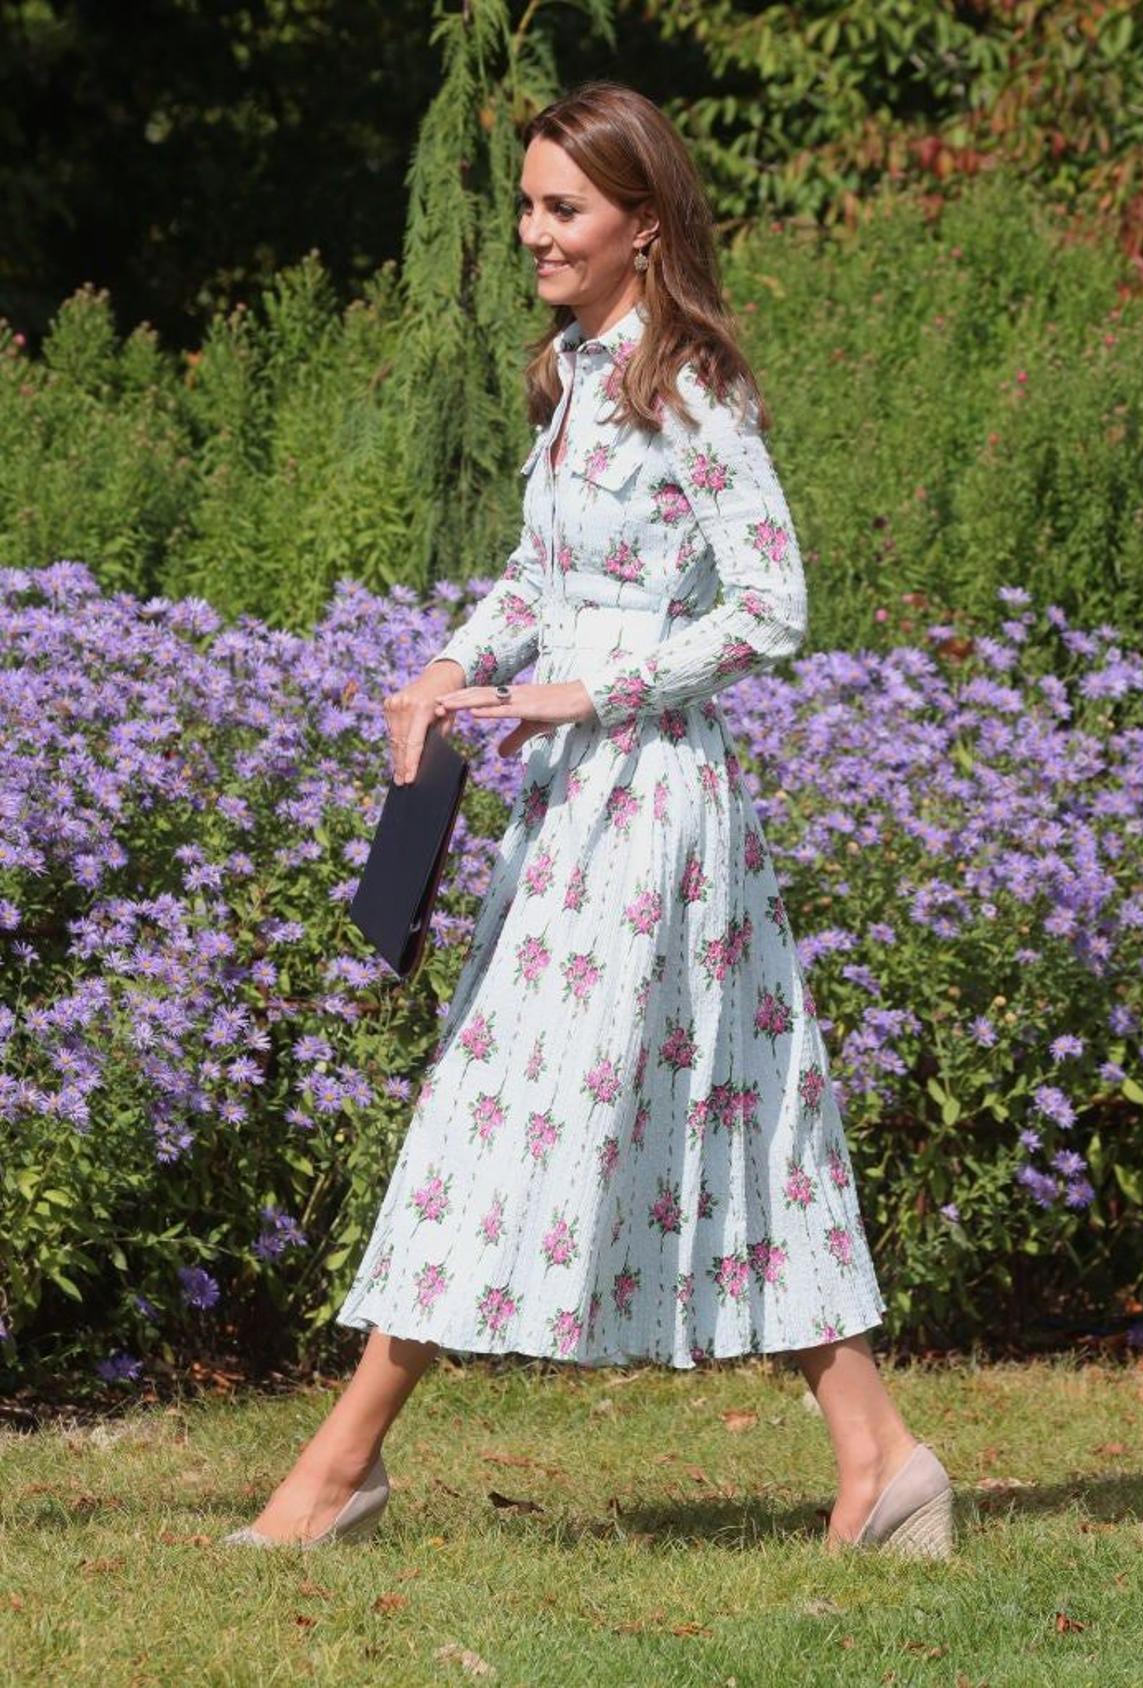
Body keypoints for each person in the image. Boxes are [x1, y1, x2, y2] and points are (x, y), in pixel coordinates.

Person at [223, 81, 953, 1559]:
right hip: (579, 815)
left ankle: (337, 1470)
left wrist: (582, 693)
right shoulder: (575, 373)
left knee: (499, 1110)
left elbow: (772, 609)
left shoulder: (688, 387)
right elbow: (537, 573)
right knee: (722, 1115)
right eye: (529, 206)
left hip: (652, 810)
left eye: (565, 209)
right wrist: (452, 664)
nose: (536, 232)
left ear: (645, 224)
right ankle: (882, 1461)